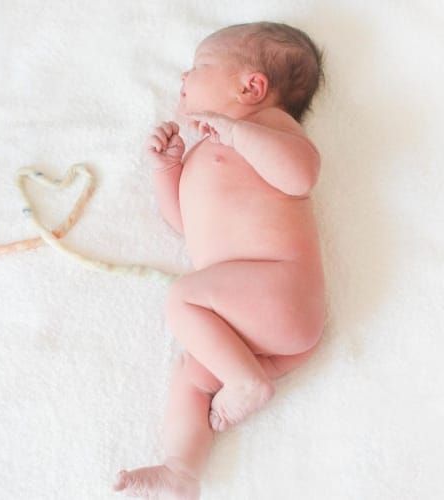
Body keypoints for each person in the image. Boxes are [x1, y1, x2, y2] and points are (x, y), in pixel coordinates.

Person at [114, 21, 327, 499]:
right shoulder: (202, 153)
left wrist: (235, 133)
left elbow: (301, 176)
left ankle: (247, 382)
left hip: (280, 290)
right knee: (192, 377)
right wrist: (167, 169)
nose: (183, 80)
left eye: (198, 68)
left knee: (182, 299)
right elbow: (184, 223)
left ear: (251, 86)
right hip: (254, 324)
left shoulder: (266, 130)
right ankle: (181, 471)